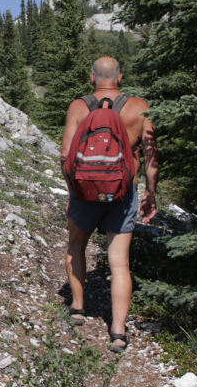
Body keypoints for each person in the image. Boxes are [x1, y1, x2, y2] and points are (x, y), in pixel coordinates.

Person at [60, 57, 159, 353]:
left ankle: (77, 308)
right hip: (124, 191)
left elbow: (66, 155)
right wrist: (150, 192)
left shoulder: (79, 106)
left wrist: (74, 190)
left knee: (76, 246)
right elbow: (152, 155)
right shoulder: (140, 107)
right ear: (121, 77)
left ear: (92, 78)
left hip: (85, 191)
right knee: (119, 263)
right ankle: (117, 330)